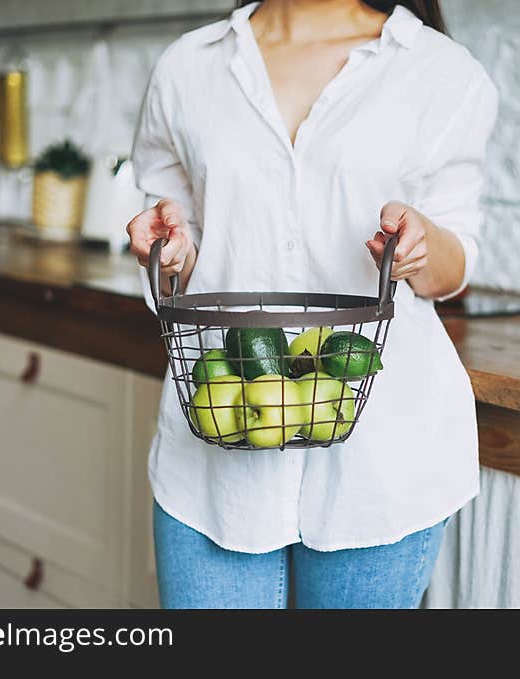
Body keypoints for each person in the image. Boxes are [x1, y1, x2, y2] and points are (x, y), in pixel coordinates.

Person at [127, 0, 498, 609]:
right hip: (214, 454)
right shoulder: (187, 68)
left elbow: (457, 258)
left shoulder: (441, 71)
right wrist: (165, 250)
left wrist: (422, 245)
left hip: (383, 458)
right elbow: (179, 246)